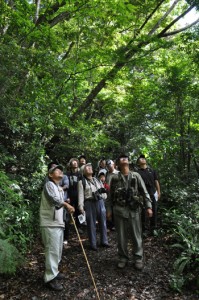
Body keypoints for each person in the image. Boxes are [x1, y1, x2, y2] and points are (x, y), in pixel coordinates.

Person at [107, 154, 153, 270]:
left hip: (134, 210)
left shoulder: (136, 175)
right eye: (121, 158)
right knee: (121, 236)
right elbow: (109, 196)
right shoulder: (114, 177)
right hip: (119, 210)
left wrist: (148, 206)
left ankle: (138, 258)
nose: (124, 159)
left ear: (129, 162)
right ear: (117, 163)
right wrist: (108, 210)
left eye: (126, 158)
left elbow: (144, 191)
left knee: (136, 235)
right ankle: (123, 257)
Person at [40, 164, 75, 291]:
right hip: (50, 223)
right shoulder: (49, 185)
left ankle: (54, 272)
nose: (60, 171)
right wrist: (65, 204)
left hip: (58, 223)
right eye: (56, 170)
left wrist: (65, 203)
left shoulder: (58, 187)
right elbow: (54, 200)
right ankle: (50, 278)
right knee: (52, 251)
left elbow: (58, 203)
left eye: (61, 169)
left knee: (58, 250)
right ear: (50, 175)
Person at [78, 163, 109, 251]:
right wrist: (81, 207)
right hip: (89, 203)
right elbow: (81, 196)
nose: (90, 168)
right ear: (83, 171)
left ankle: (104, 241)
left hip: (100, 202)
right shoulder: (81, 182)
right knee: (91, 224)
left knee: (103, 222)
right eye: (87, 167)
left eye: (90, 167)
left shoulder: (97, 180)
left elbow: (104, 193)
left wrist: (102, 194)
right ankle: (93, 244)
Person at [136, 154, 161, 235]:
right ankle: (144, 230)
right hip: (143, 195)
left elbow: (156, 181)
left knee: (154, 211)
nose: (142, 159)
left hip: (153, 193)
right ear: (138, 163)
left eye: (143, 158)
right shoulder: (137, 173)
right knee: (143, 212)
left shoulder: (152, 170)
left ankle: (153, 229)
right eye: (140, 158)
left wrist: (158, 192)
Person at [67, 158, 83, 233]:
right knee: (68, 212)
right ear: (70, 164)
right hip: (69, 195)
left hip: (78, 195)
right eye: (73, 162)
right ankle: (68, 227)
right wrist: (67, 196)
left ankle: (79, 226)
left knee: (78, 212)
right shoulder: (67, 174)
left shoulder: (80, 174)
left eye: (76, 162)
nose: (75, 163)